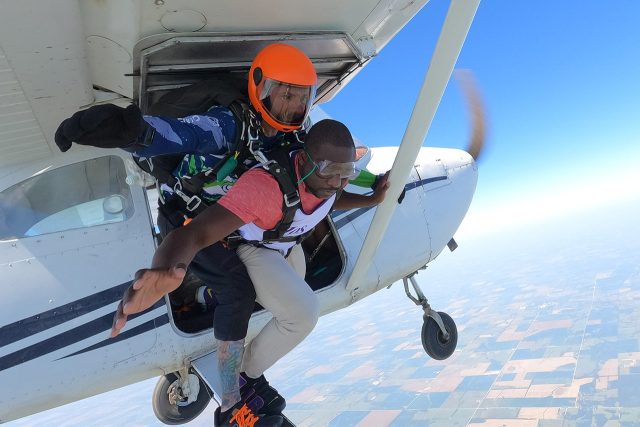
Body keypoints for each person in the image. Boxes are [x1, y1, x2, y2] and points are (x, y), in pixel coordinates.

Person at [110, 119, 389, 426]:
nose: (337, 182)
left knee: (293, 286)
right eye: (330, 171)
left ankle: (208, 300)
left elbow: (329, 199)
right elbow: (196, 234)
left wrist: (371, 197)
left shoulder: (328, 181)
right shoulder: (264, 188)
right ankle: (243, 380)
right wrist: (164, 269)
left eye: (346, 172)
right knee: (302, 313)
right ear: (305, 160)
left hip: (283, 246)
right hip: (251, 247)